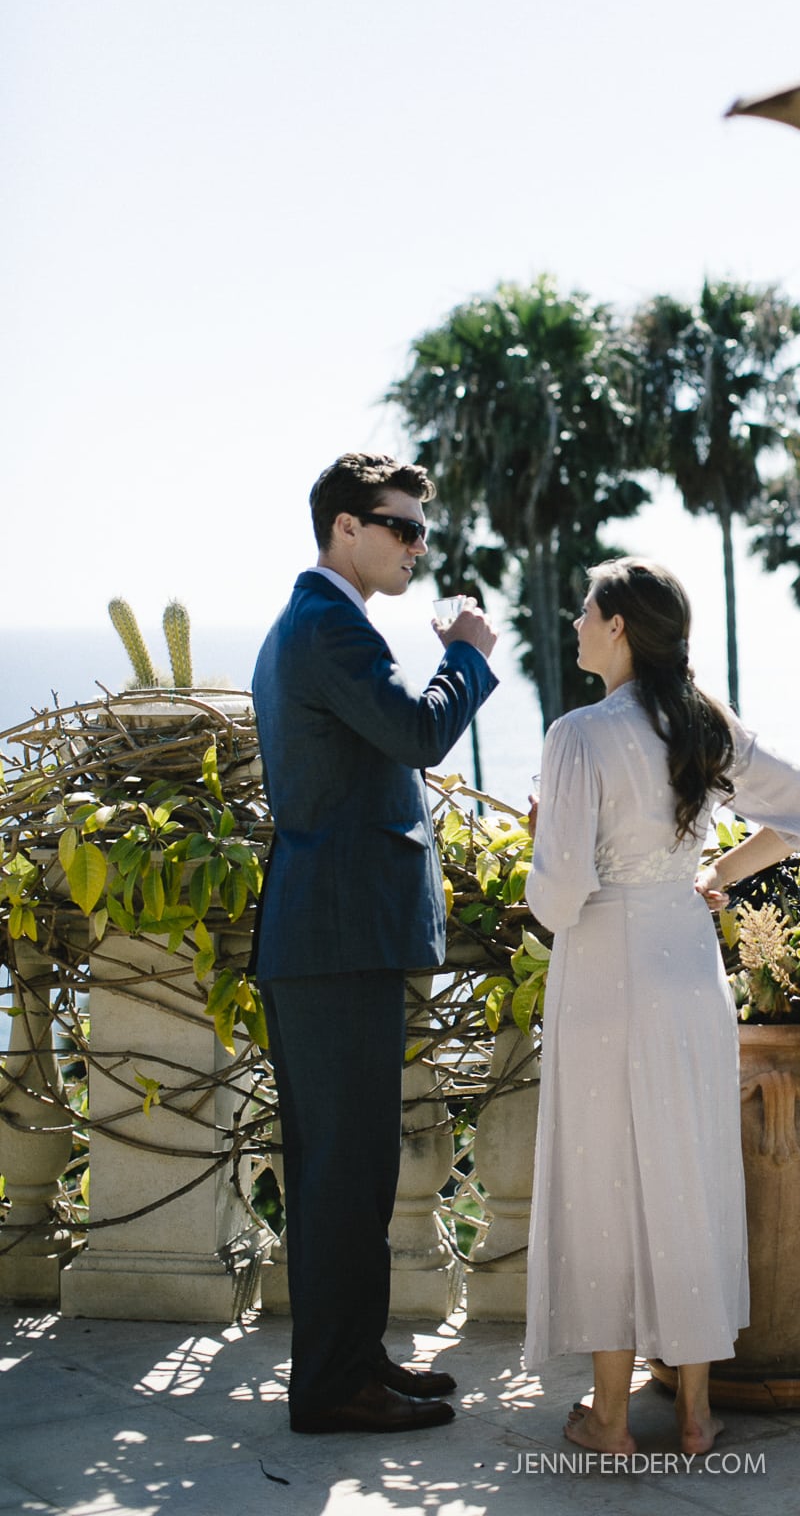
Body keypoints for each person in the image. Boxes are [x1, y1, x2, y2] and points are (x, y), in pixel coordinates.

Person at [522, 557, 800, 1456]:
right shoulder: (704, 725)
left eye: (586, 608)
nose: (575, 620)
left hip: (602, 968)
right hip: (686, 965)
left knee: (604, 1174)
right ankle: (697, 1414)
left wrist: (548, 832)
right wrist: (719, 872)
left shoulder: (578, 734)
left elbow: (558, 895)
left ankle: (612, 1417)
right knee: (687, 1167)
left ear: (618, 626)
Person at [252, 451, 499, 1436]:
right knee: (343, 1173)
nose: (415, 546)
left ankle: (350, 1363)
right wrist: (469, 653)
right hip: (335, 939)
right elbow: (417, 733)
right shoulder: (324, 624)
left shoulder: (322, 623)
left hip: (330, 937)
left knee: (343, 1171)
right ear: (343, 528)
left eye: (420, 531)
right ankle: (331, 1388)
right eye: (399, 527)